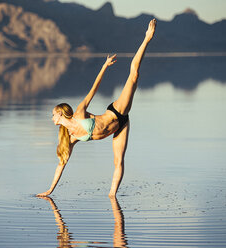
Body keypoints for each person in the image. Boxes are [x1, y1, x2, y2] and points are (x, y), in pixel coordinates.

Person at [37, 19, 157, 197]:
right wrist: (49, 190)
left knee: (134, 75)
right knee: (118, 161)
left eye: (53, 114)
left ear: (60, 112)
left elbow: (94, 88)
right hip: (120, 127)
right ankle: (112, 196)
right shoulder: (70, 138)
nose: (52, 118)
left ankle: (147, 38)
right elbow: (60, 166)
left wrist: (104, 66)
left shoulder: (79, 113)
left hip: (117, 112)